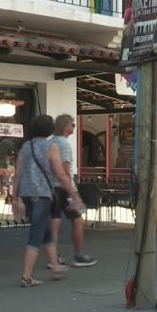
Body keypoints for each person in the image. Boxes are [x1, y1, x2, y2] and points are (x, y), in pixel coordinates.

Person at [11, 115, 85, 287]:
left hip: (27, 194)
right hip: (42, 194)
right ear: (50, 129)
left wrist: (15, 198)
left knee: (46, 232)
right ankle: (27, 276)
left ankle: (56, 268)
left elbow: (18, 174)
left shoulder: (25, 147)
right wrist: (74, 195)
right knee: (37, 234)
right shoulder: (51, 147)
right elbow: (60, 174)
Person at [49, 114, 97, 268]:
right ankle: (79, 255)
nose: (74, 127)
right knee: (77, 220)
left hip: (50, 188)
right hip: (63, 189)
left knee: (55, 223)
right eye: (73, 124)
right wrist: (73, 193)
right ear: (66, 127)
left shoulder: (50, 143)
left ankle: (53, 258)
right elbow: (66, 170)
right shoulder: (64, 145)